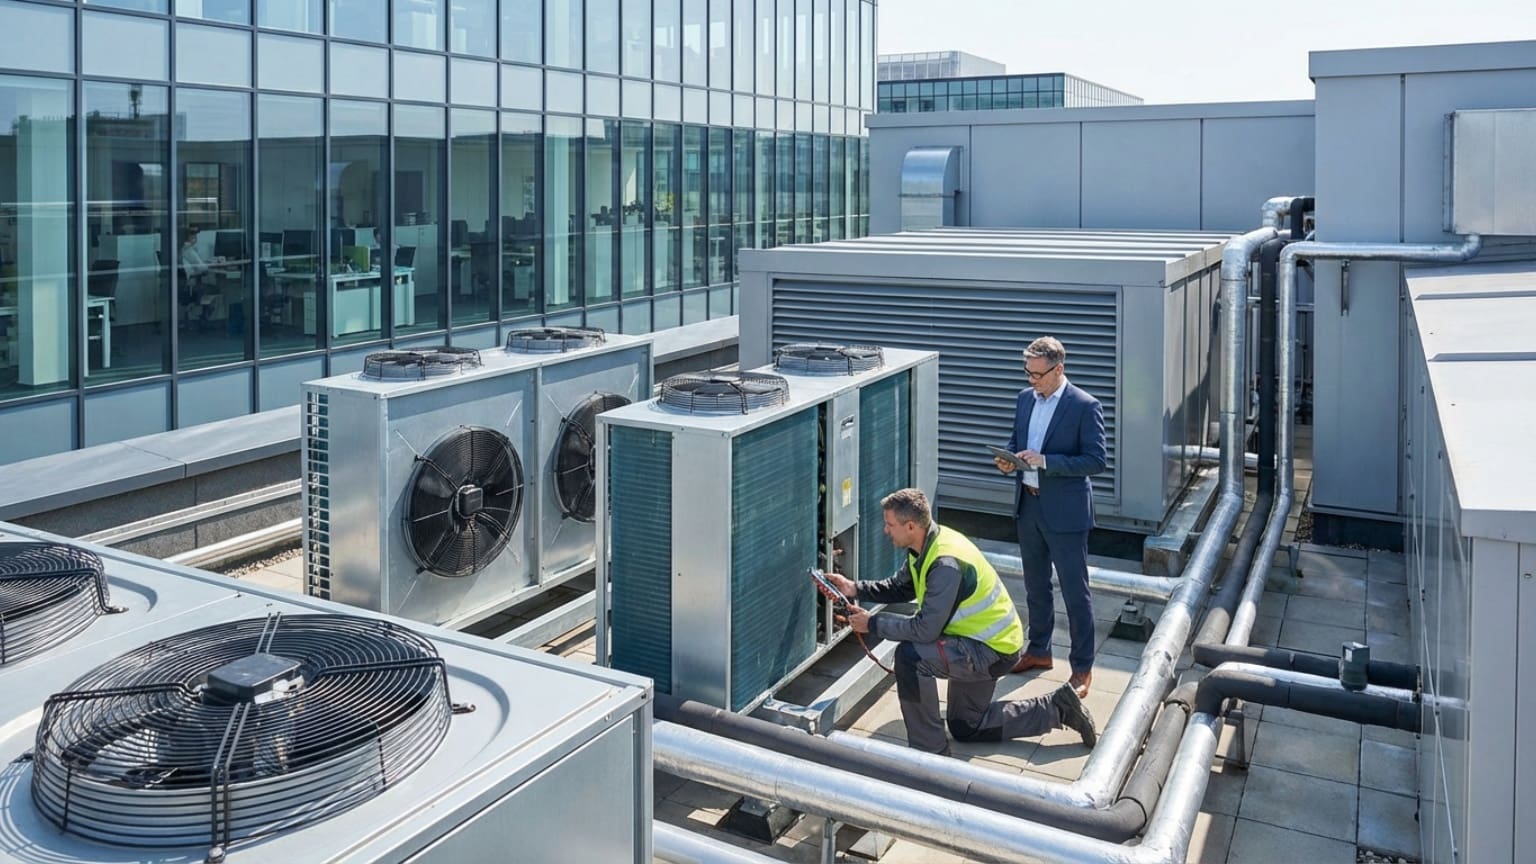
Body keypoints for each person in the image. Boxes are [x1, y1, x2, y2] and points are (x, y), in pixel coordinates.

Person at [823, 488, 1097, 756]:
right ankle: (1059, 708)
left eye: (889, 524)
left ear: (910, 526)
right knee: (967, 726)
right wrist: (854, 588)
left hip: (990, 650)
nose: (885, 530)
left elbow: (924, 630)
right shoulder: (926, 544)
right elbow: (900, 587)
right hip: (985, 642)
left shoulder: (945, 564)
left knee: (910, 657)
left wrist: (872, 624)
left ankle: (929, 752)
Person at [994, 336, 1108, 698]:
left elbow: (1096, 461)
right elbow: (1016, 442)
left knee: (1076, 593)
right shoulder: (1024, 398)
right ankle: (1039, 651)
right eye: (1027, 373)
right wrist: (1008, 460)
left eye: (1037, 374)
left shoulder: (1085, 406)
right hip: (1028, 507)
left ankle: (1082, 668)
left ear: (1059, 369)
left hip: (1066, 514)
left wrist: (1046, 462)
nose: (1031, 381)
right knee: (1035, 586)